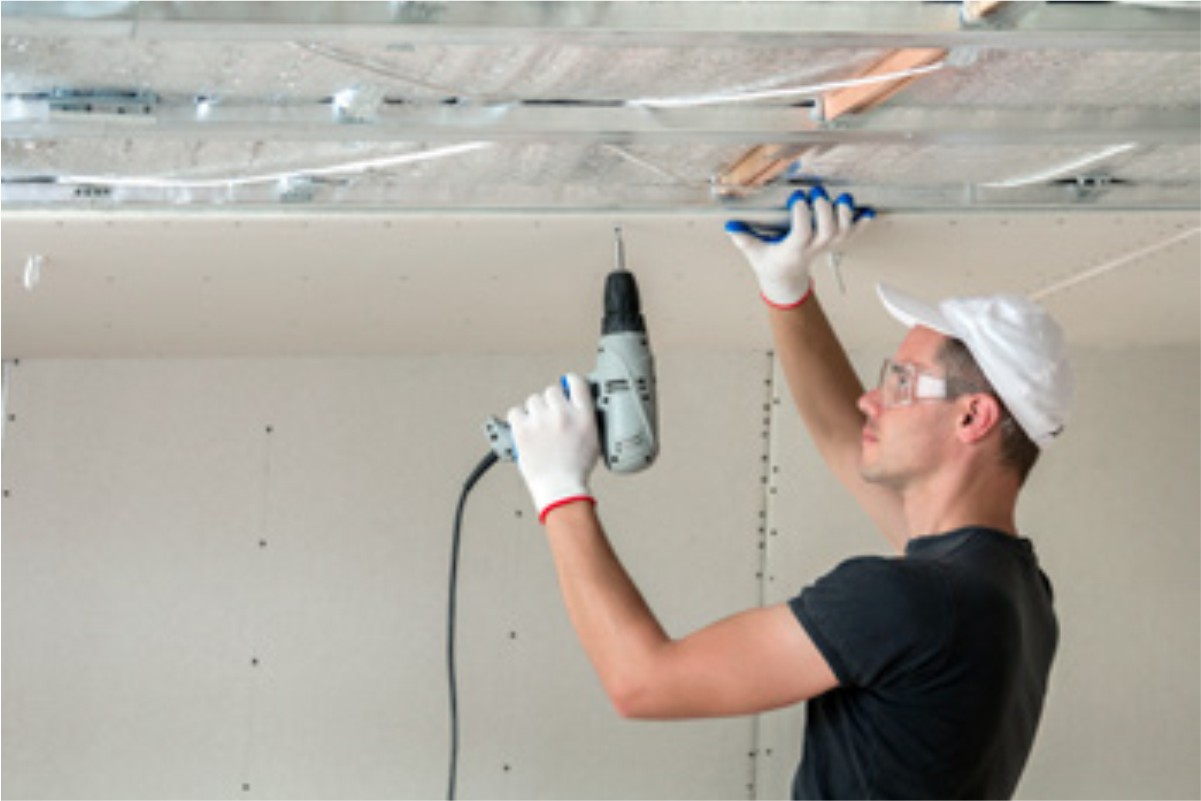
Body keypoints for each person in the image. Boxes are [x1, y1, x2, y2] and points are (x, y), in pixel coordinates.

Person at [504, 187, 1072, 799]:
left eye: (901, 382)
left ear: (972, 418)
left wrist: (558, 489)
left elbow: (642, 682)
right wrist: (786, 288)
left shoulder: (913, 599)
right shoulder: (1010, 590)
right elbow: (844, 440)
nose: (870, 399)